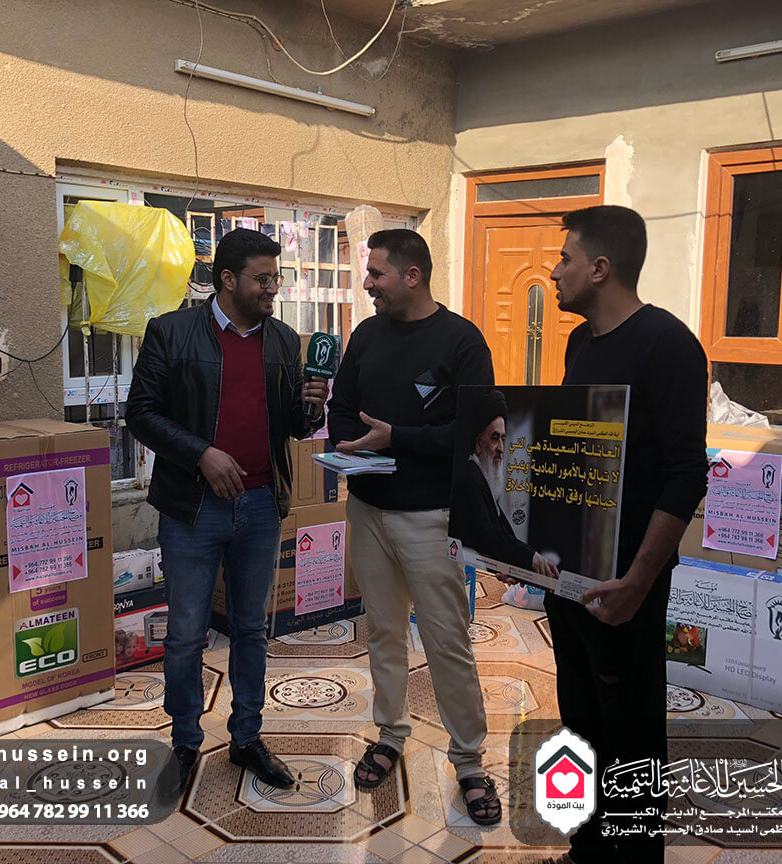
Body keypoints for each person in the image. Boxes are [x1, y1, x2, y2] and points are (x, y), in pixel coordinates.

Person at [126, 228, 328, 793]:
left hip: (261, 506)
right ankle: (185, 741)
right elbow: (140, 413)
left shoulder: (283, 341)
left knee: (250, 629)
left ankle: (246, 738)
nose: (273, 288)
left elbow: (293, 426)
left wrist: (312, 409)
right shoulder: (172, 332)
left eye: (277, 278)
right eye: (263, 279)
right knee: (186, 634)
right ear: (228, 280)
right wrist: (201, 454)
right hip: (193, 509)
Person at [543, 206, 707, 864]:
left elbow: (686, 474)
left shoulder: (667, 345)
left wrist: (639, 581)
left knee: (631, 742)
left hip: (625, 588)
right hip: (569, 580)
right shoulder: (578, 345)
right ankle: (586, 851)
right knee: (581, 725)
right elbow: (571, 459)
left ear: (600, 269)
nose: (554, 271)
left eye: (565, 258)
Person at [327, 228, 502, 825]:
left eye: (376, 273)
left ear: (412, 275)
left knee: (447, 640)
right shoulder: (367, 335)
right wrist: (349, 446)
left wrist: (395, 439)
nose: (367, 284)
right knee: (383, 631)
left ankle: (470, 761)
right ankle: (390, 733)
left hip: (431, 518)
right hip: (367, 509)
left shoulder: (461, 341)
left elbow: (478, 432)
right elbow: (342, 407)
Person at [450, 388, 557, 579]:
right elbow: (486, 534)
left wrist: (521, 563)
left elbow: (501, 529)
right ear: (478, 443)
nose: (500, 448)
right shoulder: (469, 478)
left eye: (503, 439)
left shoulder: (482, 478)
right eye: (494, 438)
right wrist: (530, 557)